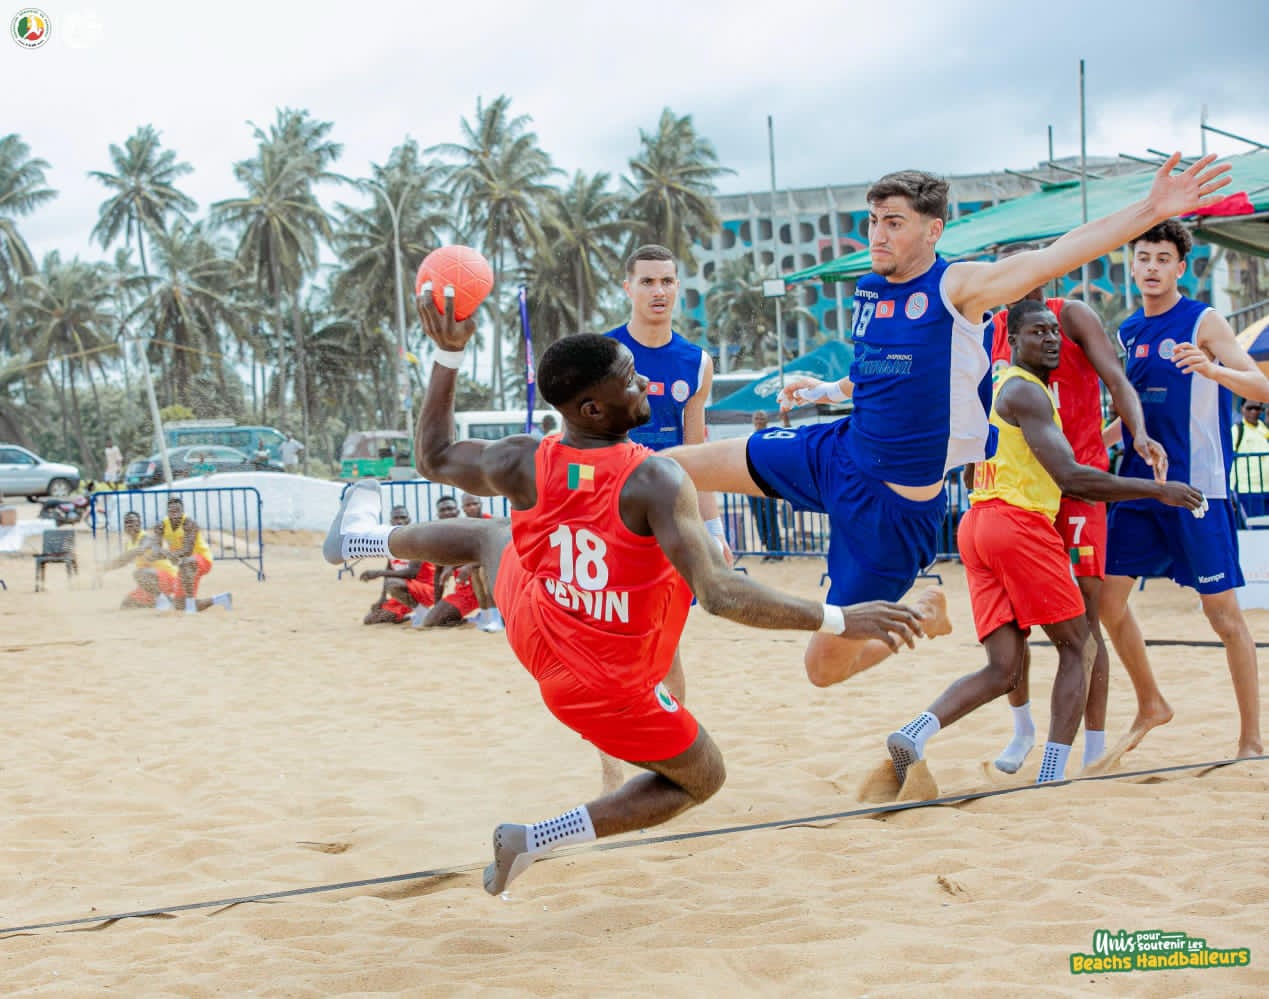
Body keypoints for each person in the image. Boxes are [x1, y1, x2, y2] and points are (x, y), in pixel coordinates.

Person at [323, 294, 924, 895]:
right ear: (591, 407)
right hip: (605, 684)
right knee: (701, 778)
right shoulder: (654, 478)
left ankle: (362, 540)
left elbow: (432, 456)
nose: (645, 389)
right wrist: (841, 617)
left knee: (490, 534)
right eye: (632, 382)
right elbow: (718, 595)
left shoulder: (523, 461)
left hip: (538, 625)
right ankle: (534, 839)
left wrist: (447, 354)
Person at [662, 154, 1231, 690]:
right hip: (834, 450)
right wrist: (826, 389)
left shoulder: (958, 287)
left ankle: (924, 615)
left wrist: (1152, 210)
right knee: (659, 470)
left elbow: (1054, 256)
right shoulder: (870, 288)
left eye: (893, 223)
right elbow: (882, 370)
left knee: (822, 670)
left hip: (890, 507)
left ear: (932, 231)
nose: (877, 235)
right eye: (872, 221)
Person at [886, 301, 1203, 787]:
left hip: (976, 524)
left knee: (1002, 668)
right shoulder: (1026, 392)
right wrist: (1159, 489)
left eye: (1055, 331)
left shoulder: (990, 388)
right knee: (1079, 645)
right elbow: (1072, 478)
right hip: (1018, 524)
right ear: (1012, 340)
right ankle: (1053, 771)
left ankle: (915, 731)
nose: (1052, 339)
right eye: (1039, 332)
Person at [982, 257, 1166, 774]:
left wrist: (1139, 433)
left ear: (1048, 276)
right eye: (1009, 274)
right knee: (1013, 617)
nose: (1020, 282)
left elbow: (1116, 378)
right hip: (1023, 494)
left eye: (1030, 271)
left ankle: (1093, 743)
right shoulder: (992, 327)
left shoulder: (1072, 315)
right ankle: (1022, 732)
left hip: (1080, 485)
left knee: (1087, 619)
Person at [1099, 219, 1268, 764]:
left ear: (1180, 266)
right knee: (1107, 602)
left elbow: (1261, 385)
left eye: (1161, 259)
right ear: (1133, 265)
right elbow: (1134, 413)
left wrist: (1214, 369)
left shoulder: (1204, 319)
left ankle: (1250, 741)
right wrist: (1088, 447)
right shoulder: (1127, 330)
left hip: (1199, 489)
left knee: (1223, 618)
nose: (1151, 267)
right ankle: (1151, 702)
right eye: (1142, 257)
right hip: (1138, 486)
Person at [360, 504, 424, 624]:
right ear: (391, 521)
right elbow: (389, 570)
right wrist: (382, 597)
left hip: (422, 590)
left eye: (403, 517)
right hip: (402, 592)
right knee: (370, 619)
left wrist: (377, 573)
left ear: (409, 520)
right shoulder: (390, 543)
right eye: (396, 518)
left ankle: (422, 611)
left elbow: (412, 573)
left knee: (392, 583)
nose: (399, 521)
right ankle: (409, 615)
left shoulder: (415, 541)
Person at [102, 511, 180, 609]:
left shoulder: (146, 538)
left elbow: (139, 550)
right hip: (150, 583)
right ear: (124, 526)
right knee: (127, 604)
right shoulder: (129, 543)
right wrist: (103, 570)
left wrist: (108, 565)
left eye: (133, 522)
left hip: (168, 579)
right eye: (127, 522)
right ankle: (165, 601)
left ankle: (166, 600)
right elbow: (122, 562)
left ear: (139, 524)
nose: (130, 524)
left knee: (139, 573)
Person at [747, 411, 784, 561]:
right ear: (753, 420)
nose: (759, 420)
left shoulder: (772, 436)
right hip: (750, 484)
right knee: (759, 518)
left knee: (770, 517)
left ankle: (777, 551)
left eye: (762, 417)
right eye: (757, 417)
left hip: (768, 485)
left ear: (767, 420)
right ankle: (769, 549)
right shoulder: (748, 438)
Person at [1230, 399, 1269, 517]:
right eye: (1249, 408)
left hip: (1267, 490)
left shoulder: (1265, 430)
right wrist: (1230, 491)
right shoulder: (1237, 430)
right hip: (1247, 492)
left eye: (1257, 408)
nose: (1253, 412)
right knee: (1255, 531)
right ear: (1242, 409)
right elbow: (1229, 461)